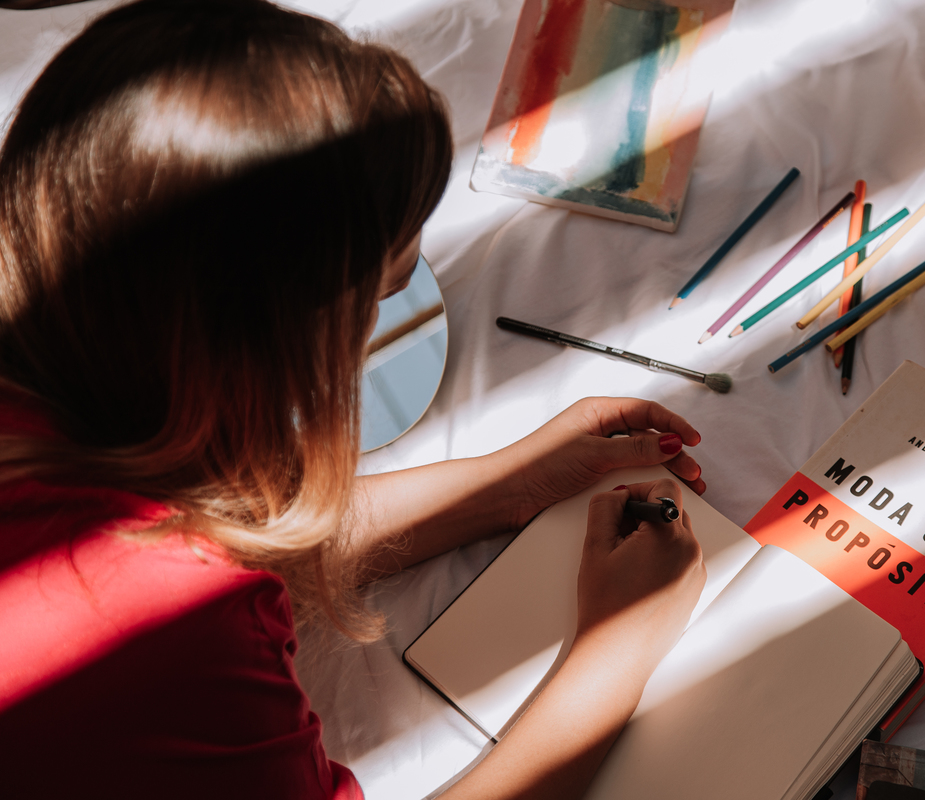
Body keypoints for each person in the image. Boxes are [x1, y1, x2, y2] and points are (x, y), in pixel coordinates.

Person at [0, 1, 708, 797]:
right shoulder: (177, 627)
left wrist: (511, 483)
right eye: (382, 291)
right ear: (281, 342)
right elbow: (169, 587)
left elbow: (219, 536)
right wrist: (619, 650)